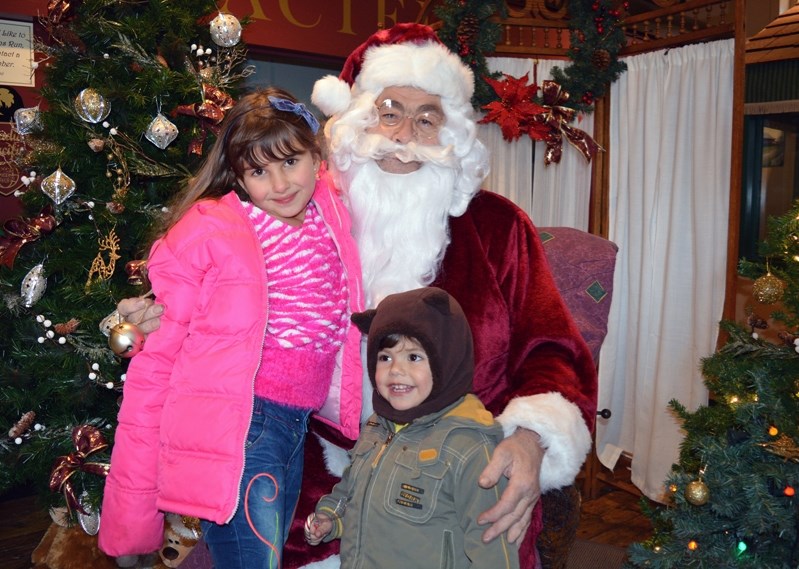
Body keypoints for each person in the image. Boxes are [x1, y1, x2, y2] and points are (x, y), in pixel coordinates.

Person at [118, 23, 598, 569]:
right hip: (315, 474)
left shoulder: (498, 228)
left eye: (427, 118)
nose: (404, 135)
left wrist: (533, 438)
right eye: (389, 111)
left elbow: (555, 353)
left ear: (454, 134)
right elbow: (211, 280)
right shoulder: (300, 209)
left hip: (458, 479)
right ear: (358, 120)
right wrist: (147, 317)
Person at [98, 87, 364, 569]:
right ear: (238, 177)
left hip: (297, 424)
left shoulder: (332, 212)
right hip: (246, 427)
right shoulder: (214, 232)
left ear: (317, 156)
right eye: (258, 171)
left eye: (291, 161)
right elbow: (157, 359)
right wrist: (131, 512)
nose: (280, 183)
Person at [305, 287, 520, 569]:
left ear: (447, 359)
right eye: (385, 357)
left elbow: (493, 549)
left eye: (414, 357)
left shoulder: (469, 448)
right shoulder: (376, 428)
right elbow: (352, 494)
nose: (396, 369)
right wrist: (331, 518)